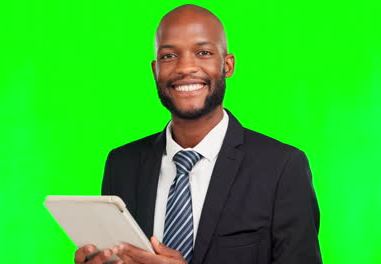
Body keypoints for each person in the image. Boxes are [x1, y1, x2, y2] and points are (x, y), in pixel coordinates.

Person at [75, 4, 322, 264]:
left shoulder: (282, 167)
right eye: (169, 56)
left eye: (203, 52)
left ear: (227, 65)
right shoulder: (121, 164)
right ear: (154, 70)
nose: (185, 67)